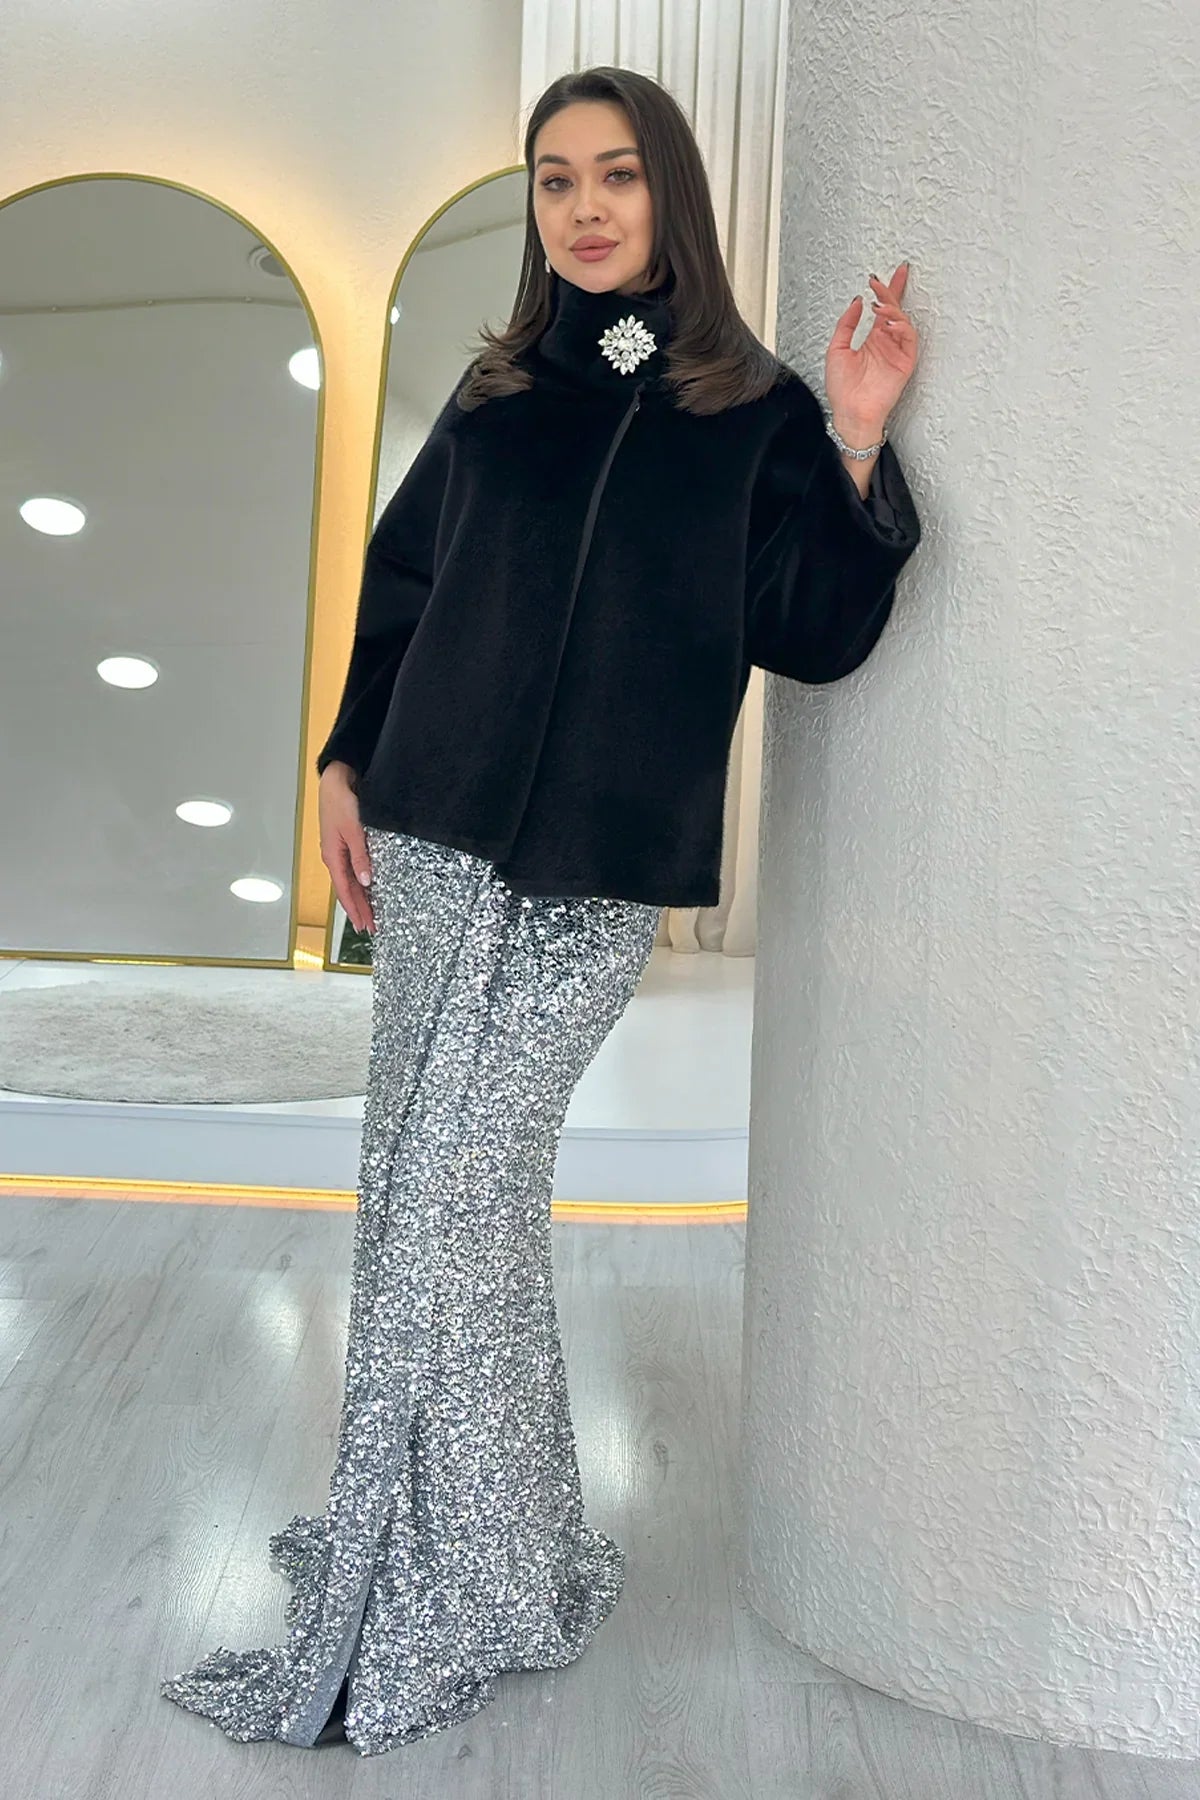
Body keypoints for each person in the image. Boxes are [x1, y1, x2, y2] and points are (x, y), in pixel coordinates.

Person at [160, 65, 922, 1758]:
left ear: (672, 197)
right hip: (433, 830)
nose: (584, 209)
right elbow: (406, 583)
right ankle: (488, 1558)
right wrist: (345, 757)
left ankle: (471, 1568)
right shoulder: (501, 389)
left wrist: (860, 434)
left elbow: (813, 630)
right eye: (557, 179)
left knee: (463, 1186)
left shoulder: (755, 410)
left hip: (597, 869)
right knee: (426, 1190)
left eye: (618, 176)